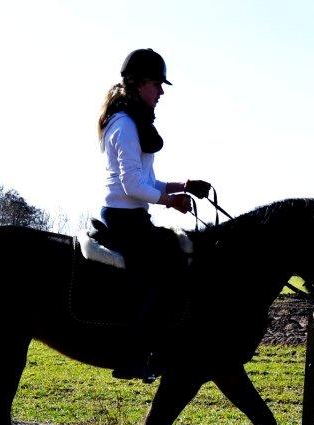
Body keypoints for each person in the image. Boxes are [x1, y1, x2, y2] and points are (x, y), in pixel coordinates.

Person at [97, 48, 211, 381]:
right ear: (138, 83)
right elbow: (133, 185)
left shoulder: (134, 120)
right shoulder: (124, 124)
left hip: (133, 216)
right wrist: (169, 201)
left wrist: (184, 185)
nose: (161, 92)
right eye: (157, 85)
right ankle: (134, 356)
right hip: (122, 218)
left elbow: (145, 180)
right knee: (159, 275)